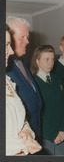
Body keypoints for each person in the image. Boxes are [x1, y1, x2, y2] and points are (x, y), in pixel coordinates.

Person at [6, 24, 42, 156]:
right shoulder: (8, 68)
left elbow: (18, 114)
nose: (27, 41)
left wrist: (26, 131)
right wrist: (23, 146)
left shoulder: (21, 63)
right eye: (22, 37)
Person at [30, 45, 64, 155]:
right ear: (37, 61)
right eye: (46, 59)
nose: (50, 63)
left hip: (61, 134)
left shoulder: (58, 80)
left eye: (52, 59)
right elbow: (36, 114)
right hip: (45, 136)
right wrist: (52, 134)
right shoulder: (32, 83)